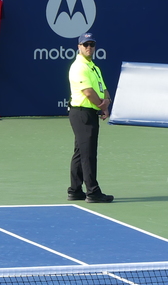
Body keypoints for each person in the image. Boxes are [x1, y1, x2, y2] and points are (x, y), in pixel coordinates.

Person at [67, 32, 114, 203]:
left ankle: (75, 190)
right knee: (88, 154)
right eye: (85, 44)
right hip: (81, 113)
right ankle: (93, 192)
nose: (89, 47)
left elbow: (103, 88)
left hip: (88, 113)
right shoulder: (78, 67)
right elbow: (88, 92)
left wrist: (107, 101)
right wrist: (102, 106)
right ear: (79, 47)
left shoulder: (94, 67)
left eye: (91, 44)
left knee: (80, 152)